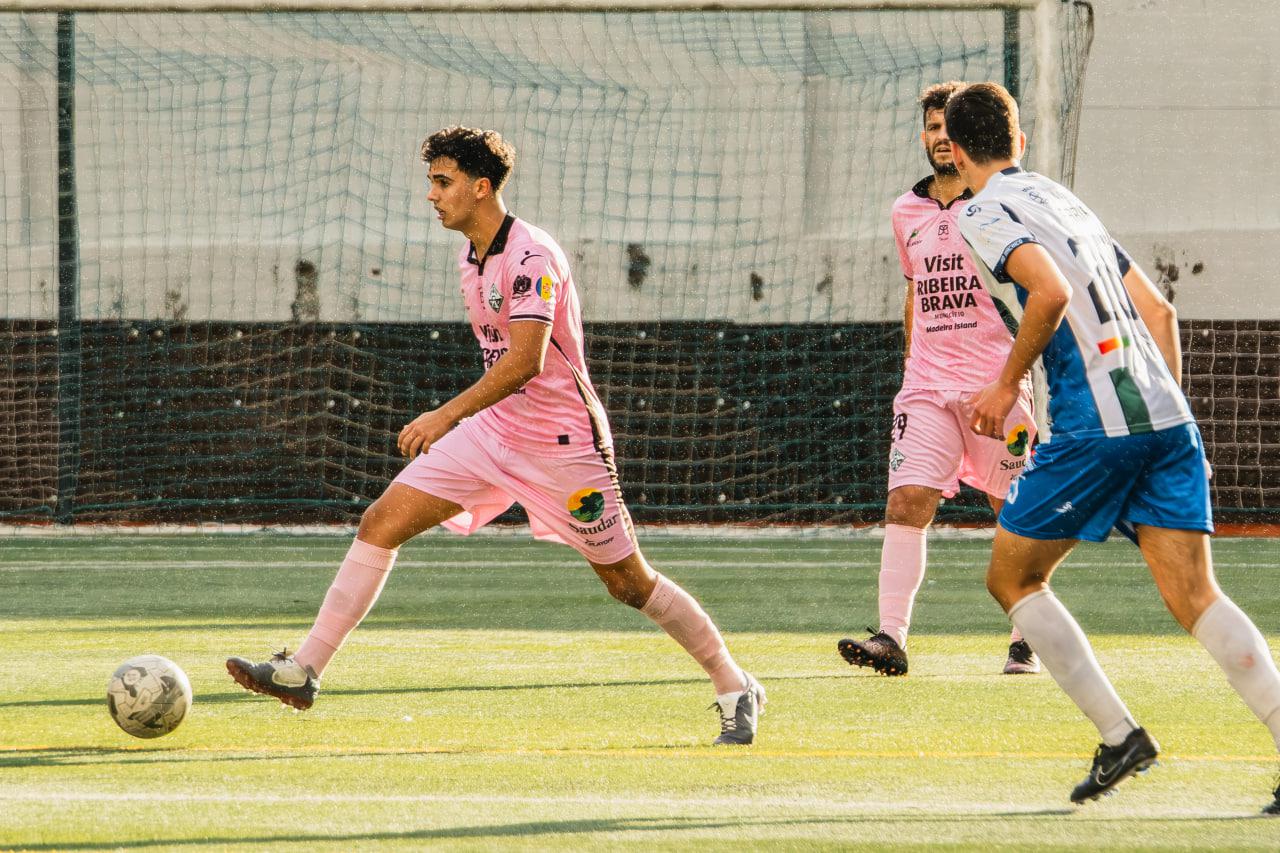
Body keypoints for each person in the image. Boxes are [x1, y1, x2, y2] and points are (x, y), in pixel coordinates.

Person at [227, 126, 765, 746]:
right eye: (431, 181)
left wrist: (444, 416)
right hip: (493, 433)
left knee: (628, 584)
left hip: (563, 447)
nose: (431, 195)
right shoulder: (470, 257)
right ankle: (305, 671)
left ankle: (733, 684)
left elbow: (525, 362)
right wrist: (466, 422)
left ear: (481, 187)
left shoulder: (532, 257)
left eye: (443, 181)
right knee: (381, 522)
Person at [946, 81, 1280, 810]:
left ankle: (1120, 735)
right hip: (1165, 415)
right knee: (1198, 596)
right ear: (1020, 141)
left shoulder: (981, 211)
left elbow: (1050, 292)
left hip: (1096, 428)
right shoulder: (1064, 200)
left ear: (958, 153)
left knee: (1012, 578)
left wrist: (1005, 386)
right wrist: (1167, 417)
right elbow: (1159, 310)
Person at [838, 82, 1040, 677]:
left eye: (950, 129)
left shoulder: (1003, 204)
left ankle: (1027, 637)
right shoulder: (906, 210)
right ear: (923, 137)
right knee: (907, 502)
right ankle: (891, 638)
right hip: (926, 386)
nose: (941, 138)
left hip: (996, 382)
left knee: (1014, 506)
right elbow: (914, 291)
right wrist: (912, 366)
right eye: (932, 128)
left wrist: (1017, 378)